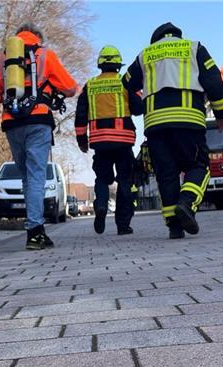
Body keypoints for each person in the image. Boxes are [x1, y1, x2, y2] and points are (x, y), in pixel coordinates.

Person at [123, 22, 223, 239]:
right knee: (198, 165)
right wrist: (220, 114)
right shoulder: (194, 47)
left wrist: (139, 105)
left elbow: (126, 84)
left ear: (156, 39)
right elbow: (214, 81)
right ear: (177, 35)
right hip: (188, 120)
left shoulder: (146, 55)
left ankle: (174, 226)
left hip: (156, 125)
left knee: (167, 174)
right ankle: (187, 204)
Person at [0, 23, 78, 250]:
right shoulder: (44, 54)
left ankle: (34, 228)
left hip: (12, 123)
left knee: (26, 177)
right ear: (38, 37)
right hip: (38, 121)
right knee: (36, 176)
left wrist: (11, 99)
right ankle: (35, 231)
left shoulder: (3, 59)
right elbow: (71, 88)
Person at [74, 45, 143, 235]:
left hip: (100, 142)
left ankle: (102, 206)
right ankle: (123, 225)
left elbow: (80, 115)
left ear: (100, 65)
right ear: (118, 65)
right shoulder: (126, 83)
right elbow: (138, 108)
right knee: (125, 181)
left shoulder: (90, 85)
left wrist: (82, 139)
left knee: (102, 179)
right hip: (123, 141)